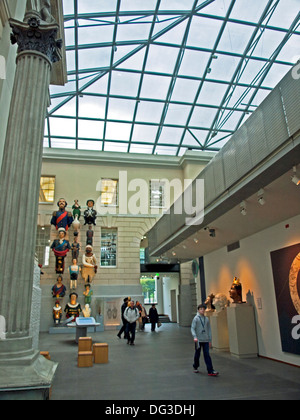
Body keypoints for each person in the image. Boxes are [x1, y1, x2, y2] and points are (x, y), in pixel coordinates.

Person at [191, 304, 219, 377]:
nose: (202, 310)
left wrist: (210, 340)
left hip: (205, 339)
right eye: (201, 309)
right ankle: (195, 366)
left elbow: (209, 330)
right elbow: (192, 328)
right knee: (197, 354)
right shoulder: (196, 319)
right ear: (198, 310)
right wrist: (195, 337)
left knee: (207, 355)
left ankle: (210, 370)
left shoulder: (206, 319)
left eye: (203, 309)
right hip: (198, 340)